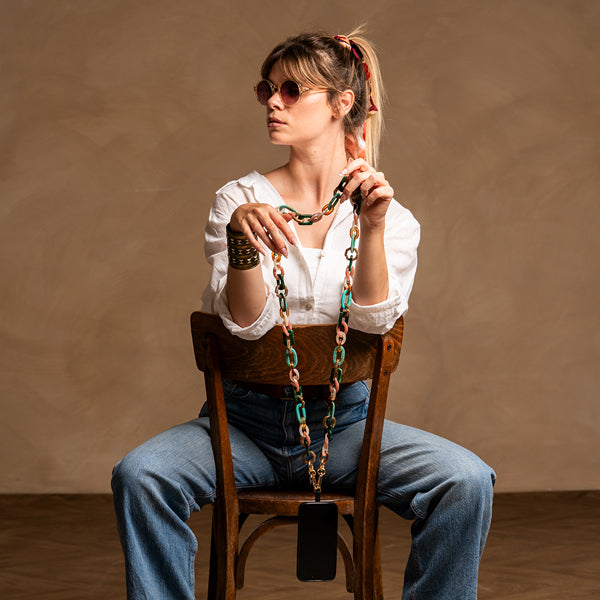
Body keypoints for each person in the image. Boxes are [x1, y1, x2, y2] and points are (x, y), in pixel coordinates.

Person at [112, 30, 496, 599]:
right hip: (241, 427)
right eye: (267, 89)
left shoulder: (392, 217)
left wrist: (370, 228)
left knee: (467, 480)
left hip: (346, 429)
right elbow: (247, 326)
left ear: (342, 103)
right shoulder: (237, 200)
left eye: (292, 90)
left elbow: (373, 323)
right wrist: (242, 241)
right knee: (141, 476)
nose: (273, 101)